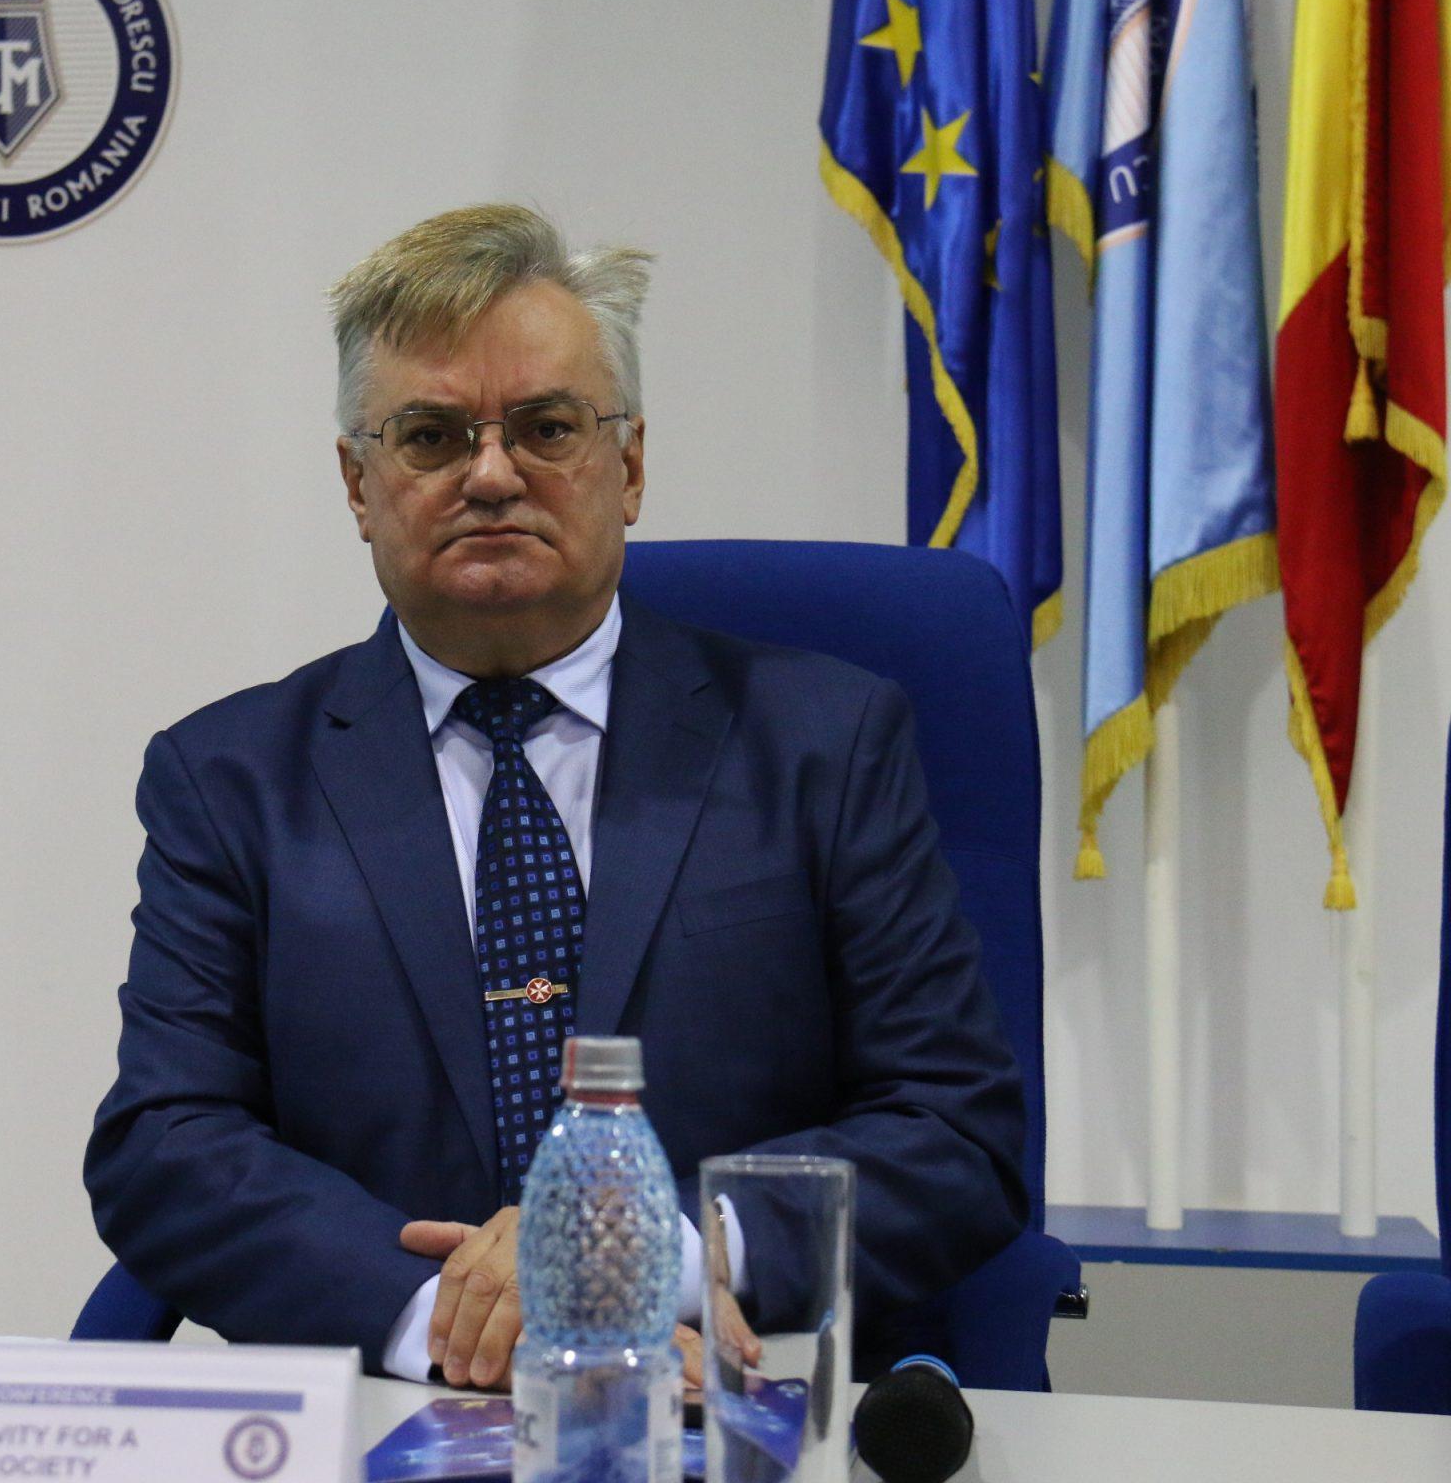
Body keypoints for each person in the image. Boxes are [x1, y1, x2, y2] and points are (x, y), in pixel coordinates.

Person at [84, 203, 1026, 1390]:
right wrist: (455, 1323)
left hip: (743, 1398)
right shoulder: (229, 781)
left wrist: (634, 1255)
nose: (489, 475)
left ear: (626, 466)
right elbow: (166, 1146)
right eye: (429, 436)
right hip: (389, 1407)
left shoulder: (821, 745)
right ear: (358, 485)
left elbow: (952, 1131)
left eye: (545, 428)